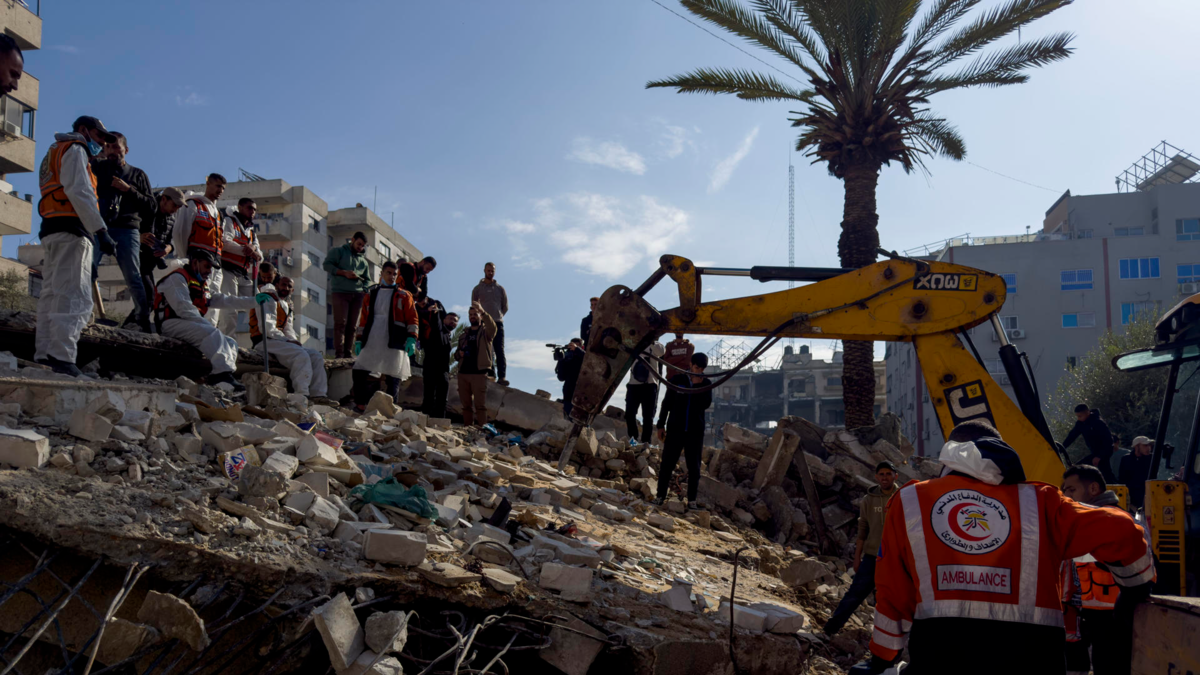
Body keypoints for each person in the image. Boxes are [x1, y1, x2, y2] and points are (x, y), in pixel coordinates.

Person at [852, 420, 1155, 675]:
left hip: (942, 655)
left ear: (950, 455)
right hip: (1032, 657)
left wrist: (883, 657)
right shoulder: (1042, 502)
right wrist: (1133, 589)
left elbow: (892, 590)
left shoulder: (911, 501)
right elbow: (1122, 528)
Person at [34, 115, 119, 376]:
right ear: (83, 130)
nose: (102, 143)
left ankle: (45, 354)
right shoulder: (76, 149)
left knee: (52, 294)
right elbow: (79, 191)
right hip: (72, 228)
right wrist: (101, 230)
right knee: (74, 295)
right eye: (99, 136)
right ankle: (62, 356)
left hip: (52, 227)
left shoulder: (55, 151)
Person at [1060, 464, 1131, 675]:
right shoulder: (1086, 522)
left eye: (1071, 490)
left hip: (1115, 617)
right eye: (1064, 490)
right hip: (1093, 615)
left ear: (1093, 489)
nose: (1066, 496)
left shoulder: (1112, 521)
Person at [152, 249, 257, 391]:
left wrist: (255, 301)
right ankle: (220, 376)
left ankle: (225, 375)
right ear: (195, 262)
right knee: (213, 333)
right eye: (207, 266)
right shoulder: (177, 278)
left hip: (188, 323)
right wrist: (208, 326)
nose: (209, 271)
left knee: (230, 342)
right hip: (171, 323)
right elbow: (184, 309)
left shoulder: (201, 284)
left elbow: (225, 300)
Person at [824, 461, 900, 636]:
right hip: (872, 556)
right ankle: (830, 629)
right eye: (881, 474)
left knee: (894, 599)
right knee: (854, 594)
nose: (885, 477)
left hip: (895, 558)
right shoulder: (869, 500)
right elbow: (863, 528)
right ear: (876, 477)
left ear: (895, 476)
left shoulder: (903, 497)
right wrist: (857, 557)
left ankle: (892, 637)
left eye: (888, 474)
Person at [91, 132, 155, 332]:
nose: (112, 151)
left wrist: (129, 190)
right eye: (108, 147)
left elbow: (152, 206)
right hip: (100, 227)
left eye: (116, 147)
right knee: (87, 270)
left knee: (133, 277)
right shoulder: (97, 168)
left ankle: (142, 321)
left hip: (128, 230)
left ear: (125, 150)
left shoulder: (138, 175)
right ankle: (83, 311)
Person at [353, 261, 418, 410]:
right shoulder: (371, 294)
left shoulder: (404, 295)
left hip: (395, 338)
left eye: (395, 274)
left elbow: (412, 318)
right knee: (359, 370)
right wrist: (359, 340)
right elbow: (363, 319)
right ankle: (360, 405)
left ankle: (390, 409)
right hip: (373, 337)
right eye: (388, 273)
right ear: (381, 273)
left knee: (393, 376)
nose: (392, 276)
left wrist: (412, 338)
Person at [249, 276, 327, 400]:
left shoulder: (287, 305)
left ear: (292, 290)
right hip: (265, 341)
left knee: (316, 356)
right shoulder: (268, 298)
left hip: (280, 342)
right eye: (283, 284)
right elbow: (267, 328)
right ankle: (301, 394)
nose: (286, 288)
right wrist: (287, 341)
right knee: (300, 355)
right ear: (277, 285)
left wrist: (293, 341)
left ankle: (319, 394)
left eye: (289, 286)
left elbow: (287, 328)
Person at [654, 352, 713, 509]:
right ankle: (660, 497)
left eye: (702, 369)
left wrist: (698, 385)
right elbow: (666, 403)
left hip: (695, 433)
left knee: (694, 468)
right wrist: (660, 425)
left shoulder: (707, 383)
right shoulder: (677, 380)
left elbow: (704, 404)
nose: (699, 371)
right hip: (675, 430)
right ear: (691, 364)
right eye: (696, 367)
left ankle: (692, 501)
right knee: (667, 465)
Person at [171, 173, 227, 327]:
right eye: (217, 186)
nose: (220, 190)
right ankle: (196, 327)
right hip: (197, 260)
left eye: (223, 188)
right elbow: (180, 232)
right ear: (208, 184)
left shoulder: (218, 213)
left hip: (215, 262)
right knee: (197, 294)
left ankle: (210, 328)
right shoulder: (193, 204)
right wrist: (184, 257)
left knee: (212, 297)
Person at [217, 197, 262, 336]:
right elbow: (225, 242)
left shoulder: (251, 231)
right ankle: (228, 340)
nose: (252, 211)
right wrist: (247, 250)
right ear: (240, 207)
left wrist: (253, 249)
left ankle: (262, 336)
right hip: (227, 270)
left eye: (254, 209)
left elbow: (259, 255)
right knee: (229, 310)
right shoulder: (229, 221)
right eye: (249, 208)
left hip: (243, 273)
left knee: (260, 303)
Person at [139, 187, 185, 321]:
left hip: (149, 264)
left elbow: (170, 242)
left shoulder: (172, 219)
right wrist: (139, 237)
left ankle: (135, 324)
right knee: (148, 295)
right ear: (164, 199)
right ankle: (138, 324)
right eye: (174, 205)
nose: (176, 209)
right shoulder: (147, 208)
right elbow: (127, 228)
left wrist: (167, 249)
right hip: (136, 259)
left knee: (149, 297)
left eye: (179, 207)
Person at [323, 231, 370, 358]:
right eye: (359, 244)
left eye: (362, 246)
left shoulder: (363, 261)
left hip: (357, 295)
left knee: (352, 326)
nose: (360, 247)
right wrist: (344, 273)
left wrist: (365, 288)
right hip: (340, 292)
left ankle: (348, 353)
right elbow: (326, 265)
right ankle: (339, 353)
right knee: (341, 323)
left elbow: (367, 279)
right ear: (352, 240)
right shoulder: (338, 252)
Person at [455, 301, 497, 426]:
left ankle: (482, 429)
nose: (472, 316)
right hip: (463, 373)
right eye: (470, 314)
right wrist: (459, 354)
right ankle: (468, 428)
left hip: (479, 373)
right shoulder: (463, 335)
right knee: (465, 405)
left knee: (480, 405)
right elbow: (456, 355)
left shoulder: (485, 333)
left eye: (475, 314)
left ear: (480, 316)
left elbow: (493, 327)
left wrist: (483, 312)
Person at [471, 262, 509, 385]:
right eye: (488, 270)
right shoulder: (477, 289)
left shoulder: (500, 289)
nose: (490, 272)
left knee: (499, 350)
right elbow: (474, 306)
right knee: (487, 349)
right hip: (484, 323)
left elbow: (505, 307)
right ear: (484, 270)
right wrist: (482, 318)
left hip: (497, 322)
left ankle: (502, 377)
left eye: (492, 270)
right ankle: (491, 375)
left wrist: (497, 316)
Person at [1061, 404, 1115, 483]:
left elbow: (1109, 441)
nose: (1078, 418)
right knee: (1079, 469)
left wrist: (1099, 456)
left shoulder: (1098, 422)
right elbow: (1072, 436)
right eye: (1077, 416)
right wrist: (1062, 447)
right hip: (1095, 453)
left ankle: (1114, 487)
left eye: (1080, 416)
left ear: (1087, 413)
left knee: (1104, 473)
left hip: (1105, 451)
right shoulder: (1080, 423)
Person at [421, 300, 457, 418]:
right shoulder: (439, 329)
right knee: (429, 395)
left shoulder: (448, 336)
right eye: (450, 319)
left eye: (455, 321)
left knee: (442, 397)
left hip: (443, 370)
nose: (452, 322)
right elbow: (436, 324)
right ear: (444, 319)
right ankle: (424, 419)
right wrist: (435, 313)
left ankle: (440, 420)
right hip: (431, 367)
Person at [625, 342, 665, 445]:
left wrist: (651, 341)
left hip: (650, 385)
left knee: (648, 416)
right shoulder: (634, 343)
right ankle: (633, 440)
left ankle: (646, 442)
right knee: (629, 413)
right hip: (634, 384)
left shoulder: (656, 345)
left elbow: (661, 352)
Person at [1117, 435, 1155, 510]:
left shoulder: (1152, 459)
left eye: (1149, 445)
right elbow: (1122, 478)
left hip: (1148, 494)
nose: (1148, 448)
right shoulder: (1126, 459)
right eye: (1145, 445)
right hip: (1131, 496)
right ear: (1137, 447)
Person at [556, 338, 585, 419]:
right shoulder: (568, 357)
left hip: (582, 395)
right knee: (568, 419)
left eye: (575, 347)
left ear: (582, 347)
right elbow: (561, 377)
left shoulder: (584, 357)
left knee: (581, 419)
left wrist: (577, 350)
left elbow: (589, 360)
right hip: (568, 394)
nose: (573, 349)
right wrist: (561, 360)